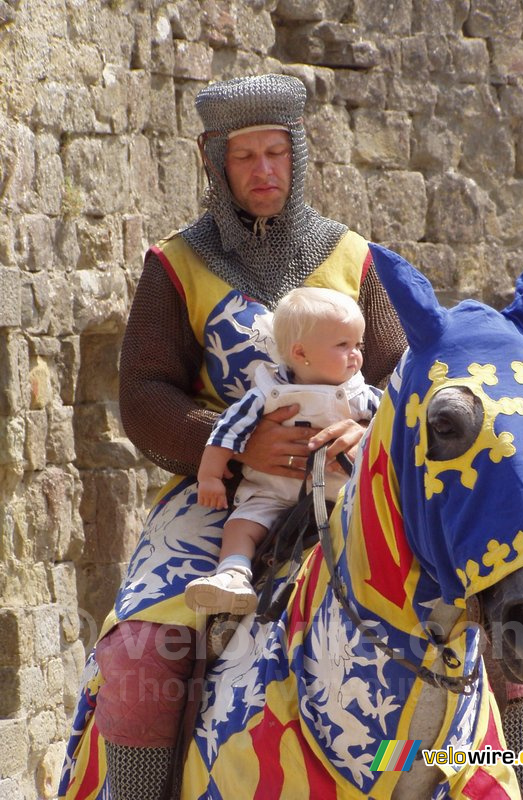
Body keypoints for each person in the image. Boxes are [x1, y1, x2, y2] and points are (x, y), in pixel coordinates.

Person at [59, 73, 407, 800]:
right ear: (214, 162)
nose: (264, 171)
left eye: (276, 153)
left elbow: (406, 372)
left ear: (298, 154)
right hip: (218, 500)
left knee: (490, 608)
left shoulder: (355, 259)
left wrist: (363, 422)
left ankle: (517, 776)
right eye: (245, 157)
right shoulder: (177, 264)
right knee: (141, 653)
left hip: (353, 485)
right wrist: (234, 441)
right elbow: (145, 394)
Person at [185, 286, 382, 616]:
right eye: (344, 346)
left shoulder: (362, 394)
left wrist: (366, 438)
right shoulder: (268, 392)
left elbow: (394, 424)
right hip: (270, 491)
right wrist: (210, 477)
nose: (356, 355)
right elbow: (225, 431)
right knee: (242, 525)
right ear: (301, 353)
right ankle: (232, 575)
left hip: (342, 494)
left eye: (358, 346)